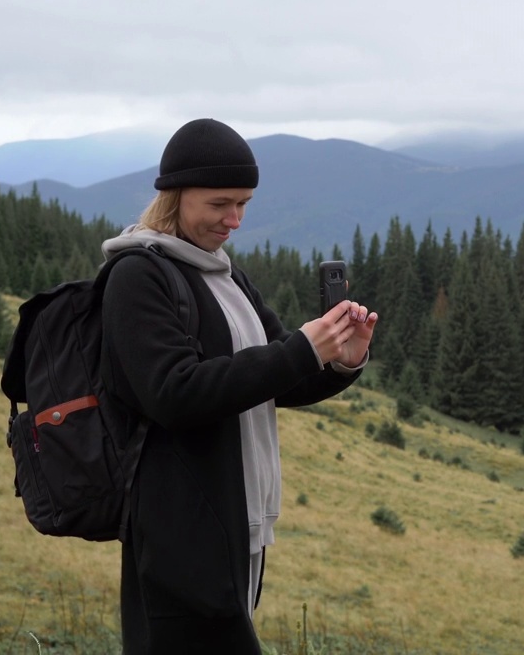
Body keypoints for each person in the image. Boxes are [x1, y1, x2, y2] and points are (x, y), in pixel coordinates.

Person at [98, 118, 377, 653]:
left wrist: (341, 360)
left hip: (239, 518)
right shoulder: (138, 277)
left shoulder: (224, 274)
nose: (235, 219)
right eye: (220, 204)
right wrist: (300, 349)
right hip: (179, 522)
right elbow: (173, 393)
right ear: (175, 197)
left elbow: (279, 383)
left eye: (244, 203)